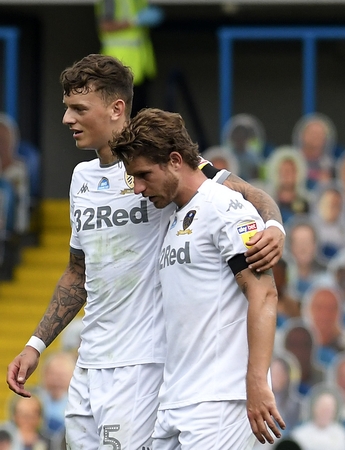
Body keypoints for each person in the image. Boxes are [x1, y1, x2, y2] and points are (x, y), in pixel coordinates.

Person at [6, 54, 284, 449]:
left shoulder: (158, 166)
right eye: (67, 108)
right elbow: (78, 272)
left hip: (144, 364)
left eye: (78, 108)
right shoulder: (80, 178)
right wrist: (35, 345)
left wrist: (274, 225)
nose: (67, 119)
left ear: (116, 108)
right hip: (90, 360)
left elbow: (247, 196)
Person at [109, 108, 284, 446]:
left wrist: (257, 383)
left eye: (144, 175)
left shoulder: (225, 208)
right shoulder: (176, 217)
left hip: (221, 400)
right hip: (175, 399)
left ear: (175, 160)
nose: (138, 188)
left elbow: (264, 295)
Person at [96, 0, 162, 115]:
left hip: (141, 66)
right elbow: (105, 25)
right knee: (121, 114)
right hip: (118, 65)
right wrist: (135, 21)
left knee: (139, 114)